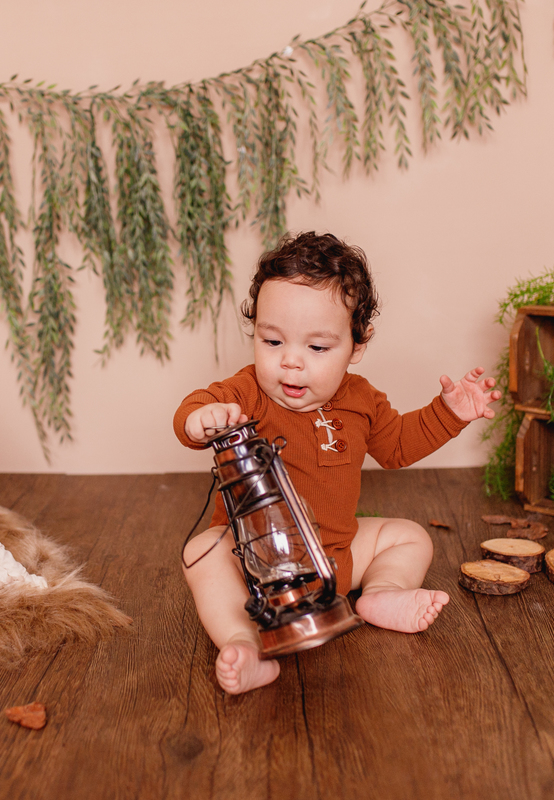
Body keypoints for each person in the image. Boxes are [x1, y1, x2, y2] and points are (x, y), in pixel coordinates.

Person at [173, 232, 500, 694]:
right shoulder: (246, 392)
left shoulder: (361, 400)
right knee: (200, 553)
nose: (290, 363)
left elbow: (397, 447)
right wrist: (200, 420)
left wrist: (449, 414)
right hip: (257, 571)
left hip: (337, 559)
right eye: (272, 341)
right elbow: (195, 407)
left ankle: (381, 595)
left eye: (317, 348)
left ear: (357, 344)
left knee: (408, 536)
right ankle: (244, 643)